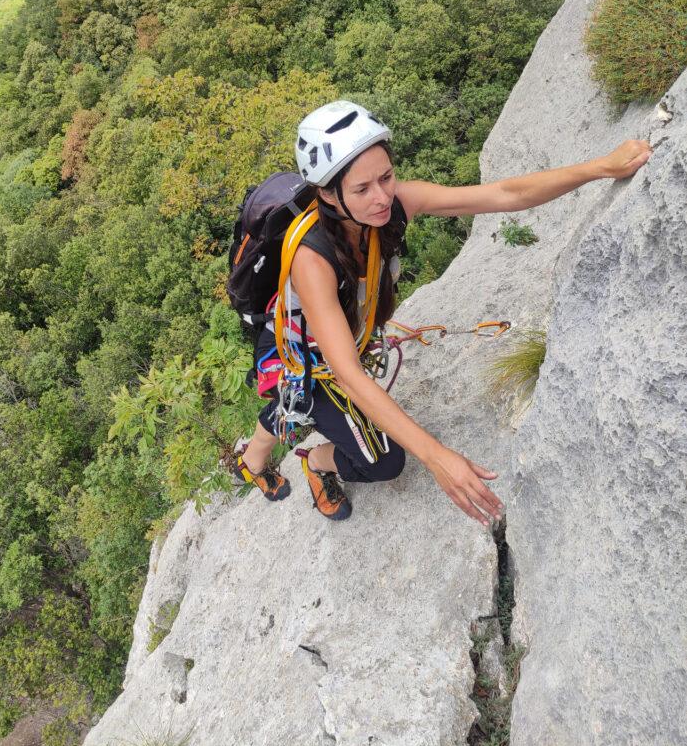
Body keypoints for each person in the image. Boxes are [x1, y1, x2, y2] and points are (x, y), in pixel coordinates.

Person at [234, 101, 652, 525]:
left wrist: (601, 167)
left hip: (337, 341)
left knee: (305, 404)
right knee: (384, 462)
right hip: (306, 358)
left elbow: (504, 195)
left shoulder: (397, 203)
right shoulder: (313, 260)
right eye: (362, 190)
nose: (381, 198)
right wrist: (436, 457)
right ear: (327, 194)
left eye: (386, 177)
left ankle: (259, 453)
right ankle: (317, 460)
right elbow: (348, 376)